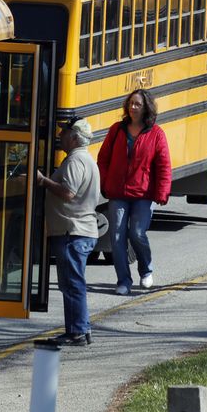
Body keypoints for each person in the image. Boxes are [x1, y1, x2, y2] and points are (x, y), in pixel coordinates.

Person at [97, 89, 172, 295]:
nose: (133, 107)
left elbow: (164, 165)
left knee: (137, 233)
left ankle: (146, 269)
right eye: (131, 103)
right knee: (117, 236)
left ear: (146, 107)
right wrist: (105, 183)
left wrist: (162, 192)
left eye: (138, 104)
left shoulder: (156, 134)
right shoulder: (117, 130)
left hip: (143, 194)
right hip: (117, 193)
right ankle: (123, 280)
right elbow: (103, 159)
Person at [37, 117, 100, 346]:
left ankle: (78, 332)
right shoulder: (85, 159)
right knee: (72, 283)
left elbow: (68, 192)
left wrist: (43, 181)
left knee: (73, 284)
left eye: (64, 132)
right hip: (77, 231)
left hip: (73, 232)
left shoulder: (75, 161)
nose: (60, 136)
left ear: (74, 137)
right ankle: (80, 329)